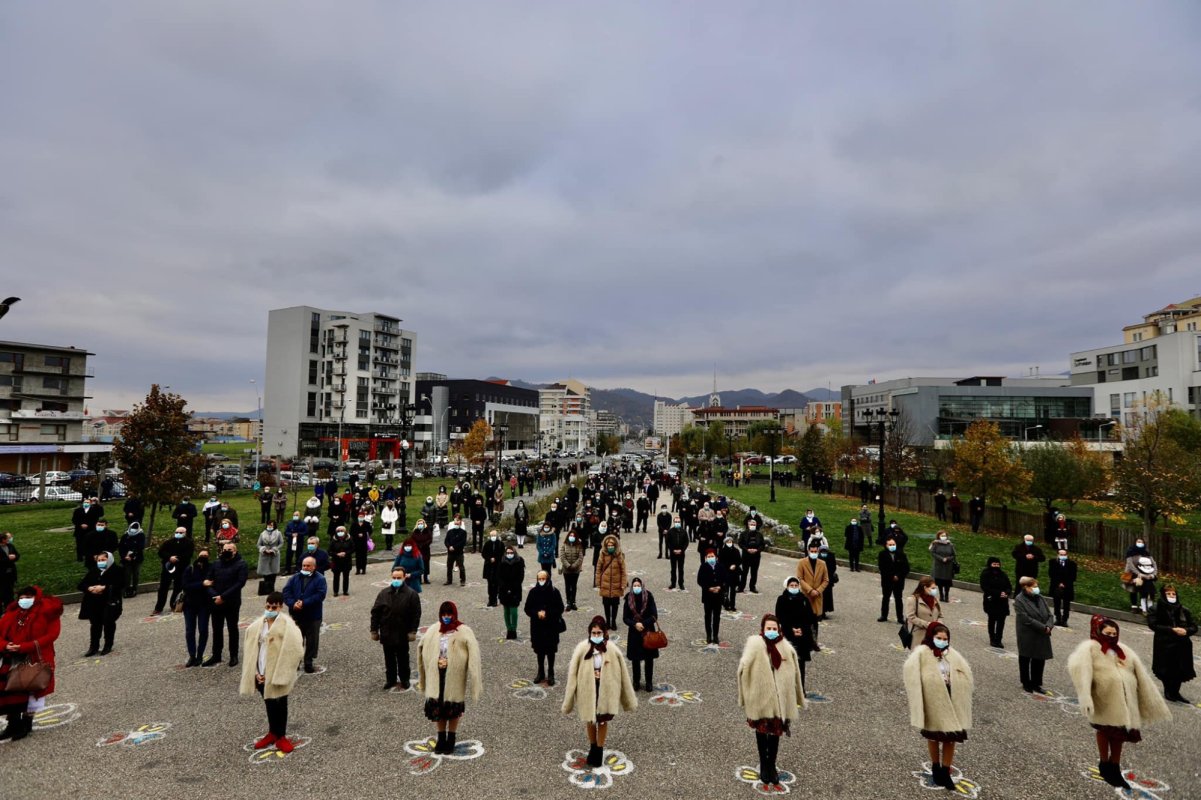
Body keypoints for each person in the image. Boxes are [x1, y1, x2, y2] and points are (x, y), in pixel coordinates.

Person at [1068, 615, 1172, 790]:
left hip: (1125, 699)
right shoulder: (1090, 648)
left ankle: (1114, 765)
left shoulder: (1123, 649)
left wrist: (1148, 697)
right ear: (1098, 631)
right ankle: (1104, 762)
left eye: (1114, 633)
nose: (1111, 636)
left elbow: (1140, 672)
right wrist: (1086, 695)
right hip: (1104, 698)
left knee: (1120, 734)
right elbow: (1079, 670)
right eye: (1107, 633)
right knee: (1104, 730)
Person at [737, 614, 805, 791]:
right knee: (761, 732)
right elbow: (742, 668)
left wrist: (798, 696)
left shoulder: (786, 647)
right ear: (763, 629)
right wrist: (744, 694)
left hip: (780, 700)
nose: (772, 631)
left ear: (779, 629)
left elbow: (796, 673)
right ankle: (763, 763)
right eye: (769, 628)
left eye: (775, 628)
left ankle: (771, 764)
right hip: (761, 698)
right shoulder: (755, 644)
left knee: (775, 733)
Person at [903, 622, 974, 791]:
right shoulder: (922, 653)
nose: (942, 641)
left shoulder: (952, 654)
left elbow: (965, 673)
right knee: (934, 735)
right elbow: (910, 673)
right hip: (933, 699)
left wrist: (959, 682)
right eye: (938, 638)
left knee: (951, 737)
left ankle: (945, 771)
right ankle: (935, 767)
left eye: (945, 639)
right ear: (931, 637)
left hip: (952, 698)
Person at [563, 616, 638, 770]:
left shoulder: (612, 649)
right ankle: (592, 747)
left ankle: (599, 749)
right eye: (594, 633)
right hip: (587, 689)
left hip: (606, 690)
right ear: (589, 632)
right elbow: (572, 673)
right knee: (590, 719)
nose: (596, 635)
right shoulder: (582, 648)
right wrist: (569, 699)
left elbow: (623, 674)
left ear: (604, 633)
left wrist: (627, 698)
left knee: (602, 721)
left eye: (599, 633)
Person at [239, 592, 304, 754]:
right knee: (268, 702)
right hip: (260, 670)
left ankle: (281, 735)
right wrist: (255, 672)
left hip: (277, 673)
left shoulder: (288, 627)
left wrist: (277, 673)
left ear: (280, 607)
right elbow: (250, 650)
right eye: (268, 607)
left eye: (274, 607)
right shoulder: (257, 626)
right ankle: (272, 732)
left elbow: (295, 650)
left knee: (281, 703)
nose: (270, 610)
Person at [417, 601, 482, 755]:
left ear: (454, 614)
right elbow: (422, 648)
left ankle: (451, 737)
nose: (446, 617)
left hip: (454, 675)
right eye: (444, 614)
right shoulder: (434, 629)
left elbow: (474, 654)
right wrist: (431, 664)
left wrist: (474, 679)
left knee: (453, 706)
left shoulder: (464, 631)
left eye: (449, 614)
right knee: (437, 705)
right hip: (436, 674)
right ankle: (441, 737)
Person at [0, 586, 63, 741]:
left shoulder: (48, 612)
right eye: (21, 598)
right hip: (12, 657)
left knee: (35, 688)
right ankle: (13, 723)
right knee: (11, 690)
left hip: (37, 657)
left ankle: (27, 722)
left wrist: (25, 646)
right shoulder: (11, 614)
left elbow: (52, 635)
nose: (24, 600)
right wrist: (5, 645)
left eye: (28, 597)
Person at [371, 565, 422, 690]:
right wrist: (374, 630)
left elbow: (416, 614)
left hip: (402, 632)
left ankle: (405, 679)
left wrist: (413, 631)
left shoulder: (411, 594)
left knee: (403, 658)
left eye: (399, 578)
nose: (396, 580)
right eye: (394, 577)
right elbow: (375, 612)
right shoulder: (383, 593)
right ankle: (391, 679)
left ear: (404, 577)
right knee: (389, 659)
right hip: (386, 631)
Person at [1148, 585, 1196, 703]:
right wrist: (1171, 630)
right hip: (1164, 643)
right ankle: (1168, 691)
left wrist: (1186, 631)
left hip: (1182, 644)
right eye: (1168, 594)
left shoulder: (1183, 610)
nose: (1171, 596)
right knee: (1166, 668)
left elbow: (1194, 627)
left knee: (1180, 668)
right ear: (1163, 595)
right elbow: (1153, 625)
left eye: (1173, 594)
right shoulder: (1156, 608)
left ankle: (1176, 692)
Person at [205, 542, 248, 667]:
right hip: (216, 601)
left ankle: (233, 655)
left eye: (229, 549)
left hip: (231, 602)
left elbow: (240, 583)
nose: (226, 551)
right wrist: (215, 596)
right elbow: (208, 581)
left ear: (235, 551)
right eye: (225, 549)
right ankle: (216, 655)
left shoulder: (241, 564)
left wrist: (223, 597)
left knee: (232, 628)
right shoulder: (216, 563)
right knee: (216, 629)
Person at [282, 556, 327, 673]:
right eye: (303, 565)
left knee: (312, 641)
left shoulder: (320, 579)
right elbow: (286, 592)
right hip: (297, 615)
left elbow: (320, 595)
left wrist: (304, 603)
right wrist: (293, 604)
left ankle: (308, 662)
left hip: (313, 615)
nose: (305, 568)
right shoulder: (294, 578)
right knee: (297, 640)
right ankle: (296, 661)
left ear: (314, 567)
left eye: (308, 566)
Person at [78, 551, 124, 656]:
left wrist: (104, 587)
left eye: (103, 560)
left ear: (109, 559)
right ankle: (93, 646)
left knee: (108, 623)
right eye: (99, 560)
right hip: (94, 602)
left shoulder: (118, 570)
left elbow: (121, 584)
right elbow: (81, 585)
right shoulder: (94, 570)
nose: (101, 562)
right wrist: (89, 588)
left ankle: (108, 645)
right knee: (95, 624)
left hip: (109, 602)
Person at [775, 577, 817, 691]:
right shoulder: (782, 599)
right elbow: (780, 617)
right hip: (788, 634)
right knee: (787, 661)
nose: (794, 587)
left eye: (796, 585)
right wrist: (791, 629)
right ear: (787, 586)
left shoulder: (804, 599)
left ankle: (800, 688)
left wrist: (802, 629)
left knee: (800, 663)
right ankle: (787, 688)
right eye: (791, 585)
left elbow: (809, 617)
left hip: (802, 636)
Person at [1014, 577, 1054, 693]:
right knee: (1025, 658)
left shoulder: (1040, 598)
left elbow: (1049, 615)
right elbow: (1025, 619)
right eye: (1034, 587)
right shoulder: (1019, 600)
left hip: (1042, 633)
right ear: (1026, 587)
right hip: (1027, 633)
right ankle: (1026, 682)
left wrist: (1049, 625)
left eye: (1037, 586)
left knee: (1039, 658)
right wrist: (1043, 627)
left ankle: (1036, 683)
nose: (1037, 589)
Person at [525, 570, 565, 685]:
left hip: (551, 626)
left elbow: (560, 608)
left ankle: (551, 672)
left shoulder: (554, 592)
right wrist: (537, 613)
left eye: (543, 579)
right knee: (539, 650)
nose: (541, 581)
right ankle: (541, 671)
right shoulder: (533, 592)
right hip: (537, 627)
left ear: (548, 579)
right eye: (539, 579)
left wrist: (547, 613)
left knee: (551, 650)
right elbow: (527, 608)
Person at [622, 577, 659, 692]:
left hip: (648, 631)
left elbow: (654, 615)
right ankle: (636, 681)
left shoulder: (649, 596)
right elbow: (625, 618)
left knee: (649, 658)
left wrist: (643, 624)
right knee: (635, 659)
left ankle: (649, 681)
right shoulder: (628, 598)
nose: (636, 587)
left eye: (638, 585)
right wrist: (635, 624)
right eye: (634, 586)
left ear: (642, 586)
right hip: (634, 633)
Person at [181, 548, 213, 666]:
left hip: (204, 604)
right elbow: (185, 585)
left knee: (203, 630)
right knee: (190, 631)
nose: (203, 557)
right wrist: (202, 584)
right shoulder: (190, 569)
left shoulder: (211, 569)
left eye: (205, 556)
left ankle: (200, 654)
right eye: (201, 555)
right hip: (190, 604)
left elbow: (213, 584)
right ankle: (192, 655)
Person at [151, 527, 193, 615]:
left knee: (178, 587)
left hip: (181, 568)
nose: (178, 534)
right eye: (177, 532)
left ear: (185, 533)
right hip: (168, 567)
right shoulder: (169, 542)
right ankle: (158, 607)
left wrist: (177, 558)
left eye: (181, 532)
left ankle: (174, 605)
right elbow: (161, 552)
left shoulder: (189, 543)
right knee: (163, 588)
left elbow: (188, 555)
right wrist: (169, 557)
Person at [796, 540, 829, 637]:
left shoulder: (822, 563)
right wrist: (810, 590)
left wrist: (818, 591)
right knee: (804, 620)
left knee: (815, 621)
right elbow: (800, 578)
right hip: (806, 595)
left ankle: (814, 640)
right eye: (812, 551)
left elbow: (826, 580)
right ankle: (805, 640)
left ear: (818, 551)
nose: (814, 553)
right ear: (808, 551)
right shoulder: (802, 562)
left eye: (815, 551)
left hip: (817, 596)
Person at [595, 534, 627, 632]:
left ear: (615, 545)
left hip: (616, 584)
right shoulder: (603, 554)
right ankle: (608, 621)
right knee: (606, 604)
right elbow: (598, 569)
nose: (610, 547)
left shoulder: (619, 555)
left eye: (612, 545)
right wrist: (598, 582)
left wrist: (623, 583)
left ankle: (613, 621)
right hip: (605, 583)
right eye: (608, 545)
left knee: (615, 604)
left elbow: (623, 570)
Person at [979, 557, 1012, 649]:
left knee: (1001, 621)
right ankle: (992, 638)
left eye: (997, 564)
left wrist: (1006, 593)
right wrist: (998, 593)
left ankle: (999, 639)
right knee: (992, 620)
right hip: (991, 600)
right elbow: (985, 587)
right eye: (994, 564)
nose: (996, 566)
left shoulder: (1003, 574)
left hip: (1003, 601)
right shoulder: (985, 574)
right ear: (990, 564)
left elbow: (1009, 586)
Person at [904, 577, 944, 651]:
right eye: (933, 588)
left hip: (934, 636)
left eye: (935, 588)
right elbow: (911, 617)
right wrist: (927, 624)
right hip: (919, 636)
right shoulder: (912, 599)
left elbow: (940, 615)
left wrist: (939, 622)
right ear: (925, 588)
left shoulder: (935, 600)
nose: (935, 590)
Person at [498, 545, 526, 640]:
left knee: (514, 610)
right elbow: (499, 576)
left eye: (511, 553)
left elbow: (521, 576)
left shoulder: (519, 561)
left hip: (515, 589)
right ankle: (508, 629)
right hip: (504, 589)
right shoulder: (502, 561)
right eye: (508, 553)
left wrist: (512, 588)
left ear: (514, 553)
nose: (509, 554)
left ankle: (513, 629)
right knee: (506, 610)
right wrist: (505, 588)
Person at [698, 549, 724, 645]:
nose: (711, 558)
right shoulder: (703, 567)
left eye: (712, 556)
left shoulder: (720, 566)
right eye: (709, 557)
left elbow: (725, 579)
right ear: (706, 558)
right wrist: (708, 588)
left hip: (718, 596)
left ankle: (715, 635)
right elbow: (700, 580)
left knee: (717, 616)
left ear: (716, 557)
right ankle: (709, 635)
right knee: (708, 616)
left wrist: (720, 587)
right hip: (707, 596)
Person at [1123, 546, 1158, 614]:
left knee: (1144, 590)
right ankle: (1134, 606)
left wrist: (1153, 574)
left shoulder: (1146, 553)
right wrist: (1138, 573)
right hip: (1133, 573)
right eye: (1138, 541)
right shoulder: (1131, 553)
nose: (1140, 543)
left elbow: (1154, 564)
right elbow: (1130, 564)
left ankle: (1143, 607)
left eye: (1141, 542)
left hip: (1146, 574)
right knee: (1133, 590)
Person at [1048, 549, 1078, 627]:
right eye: (1061, 554)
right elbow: (1051, 574)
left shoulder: (1072, 564)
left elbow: (1073, 576)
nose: (1063, 556)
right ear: (1058, 555)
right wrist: (1059, 583)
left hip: (1067, 587)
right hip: (1056, 585)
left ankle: (1065, 620)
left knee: (1066, 604)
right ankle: (1058, 618)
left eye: (1064, 555)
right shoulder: (1053, 562)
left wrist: (1064, 584)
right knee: (1056, 603)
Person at [117, 522, 145, 599]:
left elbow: (140, 547)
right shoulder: (125, 536)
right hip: (126, 559)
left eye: (135, 528)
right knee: (127, 574)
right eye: (132, 528)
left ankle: (134, 588)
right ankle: (127, 589)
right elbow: (121, 547)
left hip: (136, 559)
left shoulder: (141, 535)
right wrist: (124, 556)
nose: (133, 530)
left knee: (136, 574)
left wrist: (131, 556)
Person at [560, 528, 585, 612]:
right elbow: (562, 557)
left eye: (573, 536)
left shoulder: (579, 545)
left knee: (574, 586)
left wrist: (574, 565)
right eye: (570, 535)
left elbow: (580, 557)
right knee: (567, 586)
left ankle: (573, 602)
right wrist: (568, 565)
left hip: (575, 570)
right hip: (566, 570)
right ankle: (568, 602)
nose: (572, 537)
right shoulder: (564, 545)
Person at [928, 531, 956, 602]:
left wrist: (947, 559)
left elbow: (953, 555)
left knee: (947, 582)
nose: (944, 537)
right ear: (938, 536)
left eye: (945, 535)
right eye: (942, 535)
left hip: (948, 566)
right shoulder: (936, 544)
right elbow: (933, 552)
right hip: (938, 565)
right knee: (939, 581)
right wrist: (941, 558)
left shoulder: (950, 544)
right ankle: (941, 595)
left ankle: (946, 595)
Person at [257, 521, 284, 594]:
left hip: (274, 555)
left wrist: (274, 549)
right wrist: (264, 549)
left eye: (271, 525)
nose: (269, 526)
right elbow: (258, 544)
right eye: (268, 525)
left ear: (274, 526)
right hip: (264, 555)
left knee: (273, 572)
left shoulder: (278, 533)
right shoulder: (262, 534)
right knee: (265, 572)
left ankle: (272, 588)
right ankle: (266, 587)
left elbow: (281, 543)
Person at [718, 536, 742, 612]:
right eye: (727, 542)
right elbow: (720, 562)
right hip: (726, 572)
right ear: (725, 543)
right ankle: (726, 604)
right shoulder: (722, 551)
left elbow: (739, 560)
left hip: (734, 573)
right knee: (725, 590)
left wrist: (735, 565)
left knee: (733, 590)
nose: (729, 543)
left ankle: (732, 605)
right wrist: (728, 566)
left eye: (730, 541)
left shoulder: (736, 550)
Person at [329, 526, 354, 597]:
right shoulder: (333, 540)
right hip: (336, 562)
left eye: (342, 531)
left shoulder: (349, 539)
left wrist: (346, 553)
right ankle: (335, 591)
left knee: (346, 577)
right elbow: (329, 551)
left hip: (346, 561)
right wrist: (337, 554)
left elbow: (353, 549)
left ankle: (345, 591)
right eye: (338, 531)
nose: (340, 532)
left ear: (345, 531)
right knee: (336, 577)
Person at [444, 518, 467, 586]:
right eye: (455, 523)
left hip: (459, 553)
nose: (456, 524)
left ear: (460, 524)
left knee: (461, 567)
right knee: (449, 567)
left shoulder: (463, 532)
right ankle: (449, 580)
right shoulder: (449, 532)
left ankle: (462, 580)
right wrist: (449, 546)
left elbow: (463, 542)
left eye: (457, 523)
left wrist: (454, 547)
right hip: (450, 553)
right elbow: (446, 541)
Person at [411, 519, 433, 585]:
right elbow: (412, 540)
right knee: (418, 564)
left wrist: (424, 544)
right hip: (418, 550)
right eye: (419, 524)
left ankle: (426, 578)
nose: (420, 525)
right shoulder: (415, 531)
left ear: (424, 524)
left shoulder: (427, 531)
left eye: (421, 523)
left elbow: (430, 539)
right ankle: (419, 579)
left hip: (426, 550)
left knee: (426, 564)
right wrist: (418, 545)